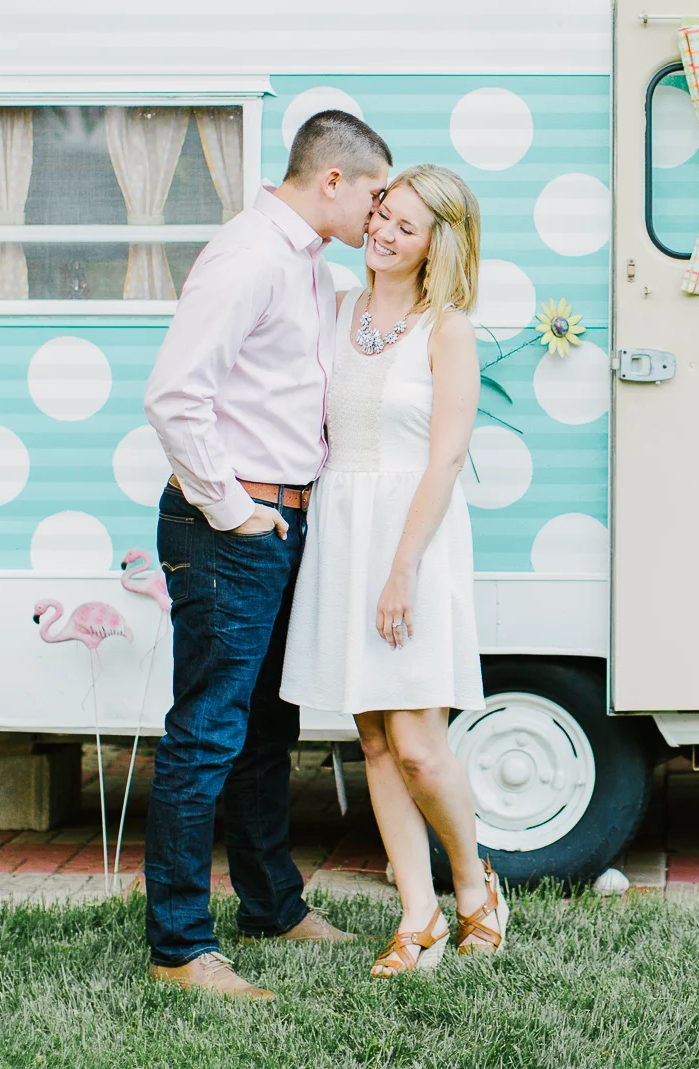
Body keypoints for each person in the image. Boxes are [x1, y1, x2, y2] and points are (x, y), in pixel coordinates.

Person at [139, 110, 391, 1001]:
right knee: (206, 732)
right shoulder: (249, 256)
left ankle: (272, 906)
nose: (378, 210)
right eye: (373, 192)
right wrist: (235, 510)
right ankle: (178, 944)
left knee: (263, 730)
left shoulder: (306, 264)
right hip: (232, 527)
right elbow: (174, 396)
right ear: (332, 180)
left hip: (281, 521)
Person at [278, 163, 506, 977]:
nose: (381, 231)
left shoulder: (448, 329)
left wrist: (403, 569)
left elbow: (446, 460)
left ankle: (475, 886)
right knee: (372, 736)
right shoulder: (336, 309)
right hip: (343, 528)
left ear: (436, 245)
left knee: (418, 744)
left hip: (413, 536)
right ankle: (420, 915)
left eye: (405, 226)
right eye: (382, 213)